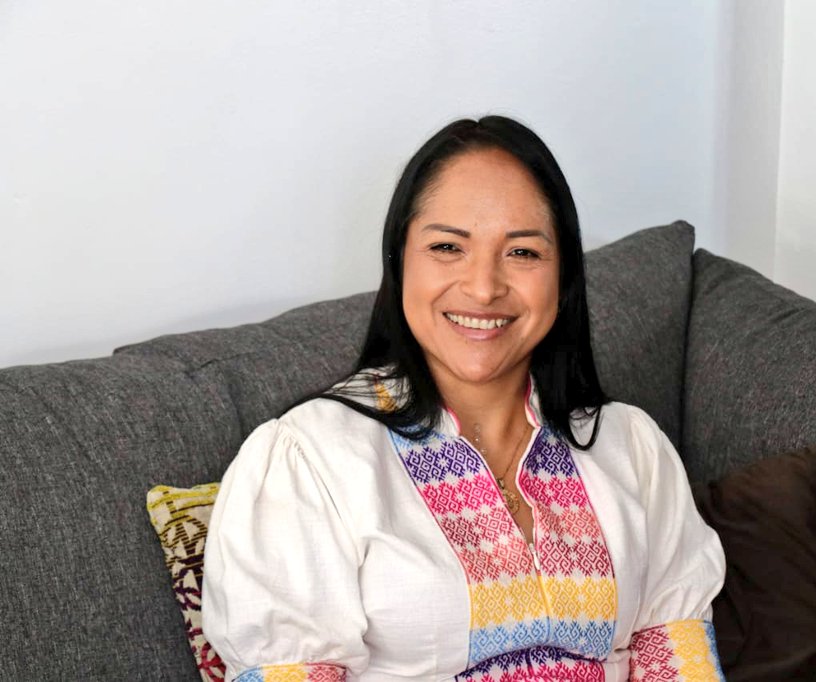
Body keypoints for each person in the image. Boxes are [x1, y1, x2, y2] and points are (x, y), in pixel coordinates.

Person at [202, 116, 726, 681]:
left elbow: (676, 650)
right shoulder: (308, 460)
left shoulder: (632, 447)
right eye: (447, 247)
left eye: (522, 253)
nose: (483, 287)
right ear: (399, 261)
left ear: (564, 277)